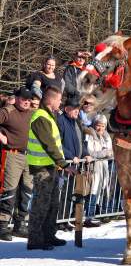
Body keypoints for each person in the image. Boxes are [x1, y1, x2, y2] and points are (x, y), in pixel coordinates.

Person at [26, 85, 76, 250]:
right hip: (42, 168)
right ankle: (35, 239)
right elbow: (49, 144)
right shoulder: (40, 117)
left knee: (52, 203)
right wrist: (64, 164)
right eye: (59, 99)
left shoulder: (49, 116)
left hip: (51, 167)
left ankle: (48, 234)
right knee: (41, 204)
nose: (60, 102)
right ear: (52, 99)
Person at [0, 87, 34, 241]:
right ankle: (2, 225)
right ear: (17, 98)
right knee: (9, 190)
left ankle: (20, 224)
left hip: (29, 156)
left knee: (27, 190)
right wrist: (1, 136)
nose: (26, 101)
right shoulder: (8, 111)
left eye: (29, 99)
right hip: (12, 154)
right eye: (24, 98)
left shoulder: (32, 113)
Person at [57, 97, 92, 225]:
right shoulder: (60, 121)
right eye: (74, 109)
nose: (77, 111)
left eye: (78, 109)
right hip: (65, 165)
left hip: (76, 165)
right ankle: (60, 220)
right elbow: (58, 143)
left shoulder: (77, 122)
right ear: (67, 109)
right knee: (63, 194)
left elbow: (81, 142)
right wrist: (71, 156)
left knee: (71, 193)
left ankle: (66, 220)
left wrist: (86, 154)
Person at [84, 114, 113, 227]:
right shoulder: (90, 135)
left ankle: (95, 214)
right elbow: (90, 152)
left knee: (100, 190)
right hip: (93, 168)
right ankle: (88, 216)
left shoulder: (106, 137)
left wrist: (105, 154)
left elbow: (110, 152)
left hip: (103, 167)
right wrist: (104, 153)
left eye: (103, 126)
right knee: (92, 190)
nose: (100, 128)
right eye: (98, 125)